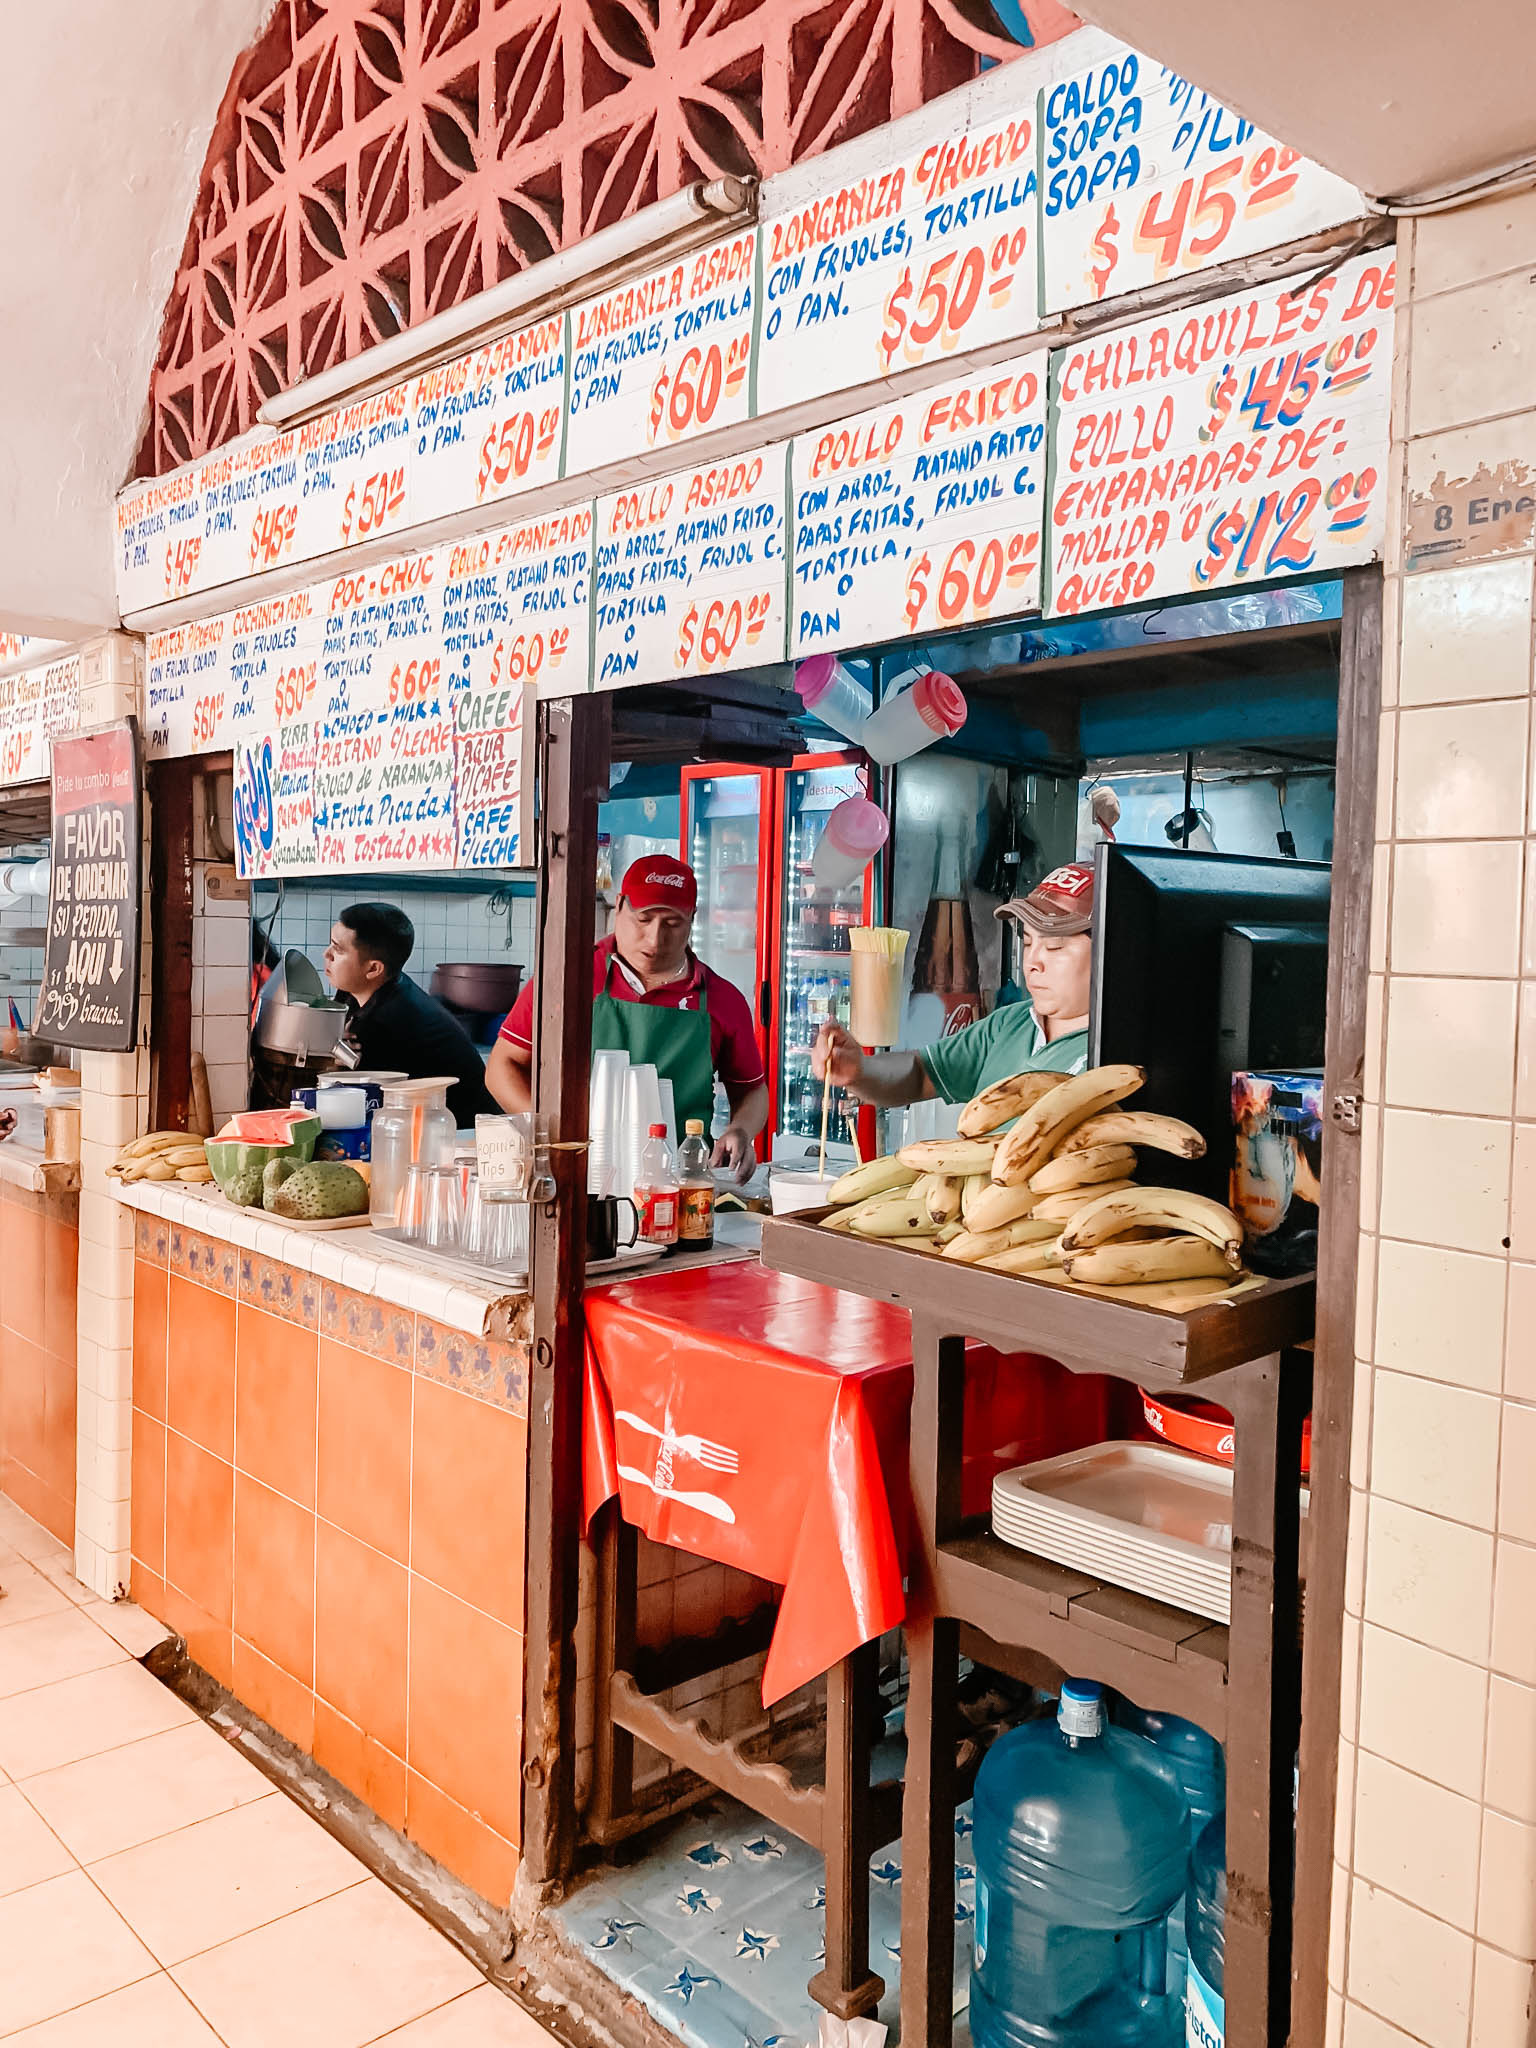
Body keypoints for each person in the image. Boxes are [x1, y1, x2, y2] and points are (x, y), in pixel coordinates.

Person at [487, 854, 769, 1181]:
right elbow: (501, 1067)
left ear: (692, 920)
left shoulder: (722, 999)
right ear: (619, 906)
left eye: (673, 924)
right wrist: (548, 1134)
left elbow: (751, 1090)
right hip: (575, 1176)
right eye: (644, 920)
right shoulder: (566, 980)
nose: (655, 939)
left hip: (679, 1185)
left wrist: (740, 1130)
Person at [812, 862, 1095, 1108]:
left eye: (1055, 946)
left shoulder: (1115, 1055)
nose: (1032, 962)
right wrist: (860, 1070)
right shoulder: (1011, 1023)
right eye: (1029, 942)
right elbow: (922, 1074)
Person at [323, 902, 497, 1126]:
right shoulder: (360, 993)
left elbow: (356, 1100)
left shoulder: (387, 1022)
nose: (326, 954)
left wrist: (332, 1064)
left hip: (464, 1133)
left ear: (373, 969)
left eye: (337, 949)